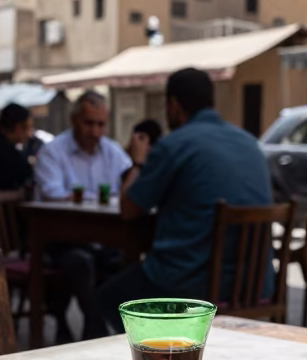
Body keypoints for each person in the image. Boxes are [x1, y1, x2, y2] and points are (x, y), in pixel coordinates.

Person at [97, 68, 273, 330]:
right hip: (256, 285)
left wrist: (136, 162)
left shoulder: (174, 145)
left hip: (191, 286)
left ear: (174, 106)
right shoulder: (250, 143)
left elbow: (129, 210)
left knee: (104, 300)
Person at [33, 92, 135, 340]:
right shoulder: (53, 152)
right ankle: (95, 327)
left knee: (129, 260)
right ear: (73, 120)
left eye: (101, 124)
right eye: (89, 123)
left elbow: (131, 186)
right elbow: (51, 193)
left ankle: (112, 330)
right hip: (60, 240)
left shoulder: (113, 152)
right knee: (80, 262)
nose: (95, 132)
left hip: (105, 240)